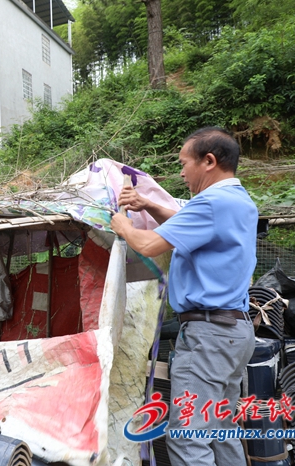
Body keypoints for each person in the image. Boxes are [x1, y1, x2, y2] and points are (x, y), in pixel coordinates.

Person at [110, 127, 257, 465]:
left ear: (209, 161)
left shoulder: (211, 203)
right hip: (234, 333)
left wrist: (124, 226)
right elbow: (186, 226)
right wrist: (149, 205)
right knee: (220, 428)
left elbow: (148, 244)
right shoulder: (237, 201)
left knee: (188, 435)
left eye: (184, 163)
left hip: (209, 335)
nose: (181, 172)